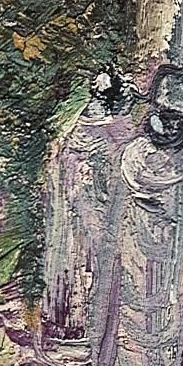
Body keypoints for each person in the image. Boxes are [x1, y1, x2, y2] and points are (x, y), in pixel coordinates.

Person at [92, 65, 183, 366]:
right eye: (170, 117)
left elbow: (118, 217)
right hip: (162, 268)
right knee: (150, 332)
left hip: (145, 265)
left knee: (143, 331)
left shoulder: (137, 155)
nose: (172, 126)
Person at [40, 69, 135, 348]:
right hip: (84, 205)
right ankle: (76, 323)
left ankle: (77, 322)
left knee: (79, 261)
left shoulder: (86, 125)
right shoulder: (102, 128)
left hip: (82, 204)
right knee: (83, 261)